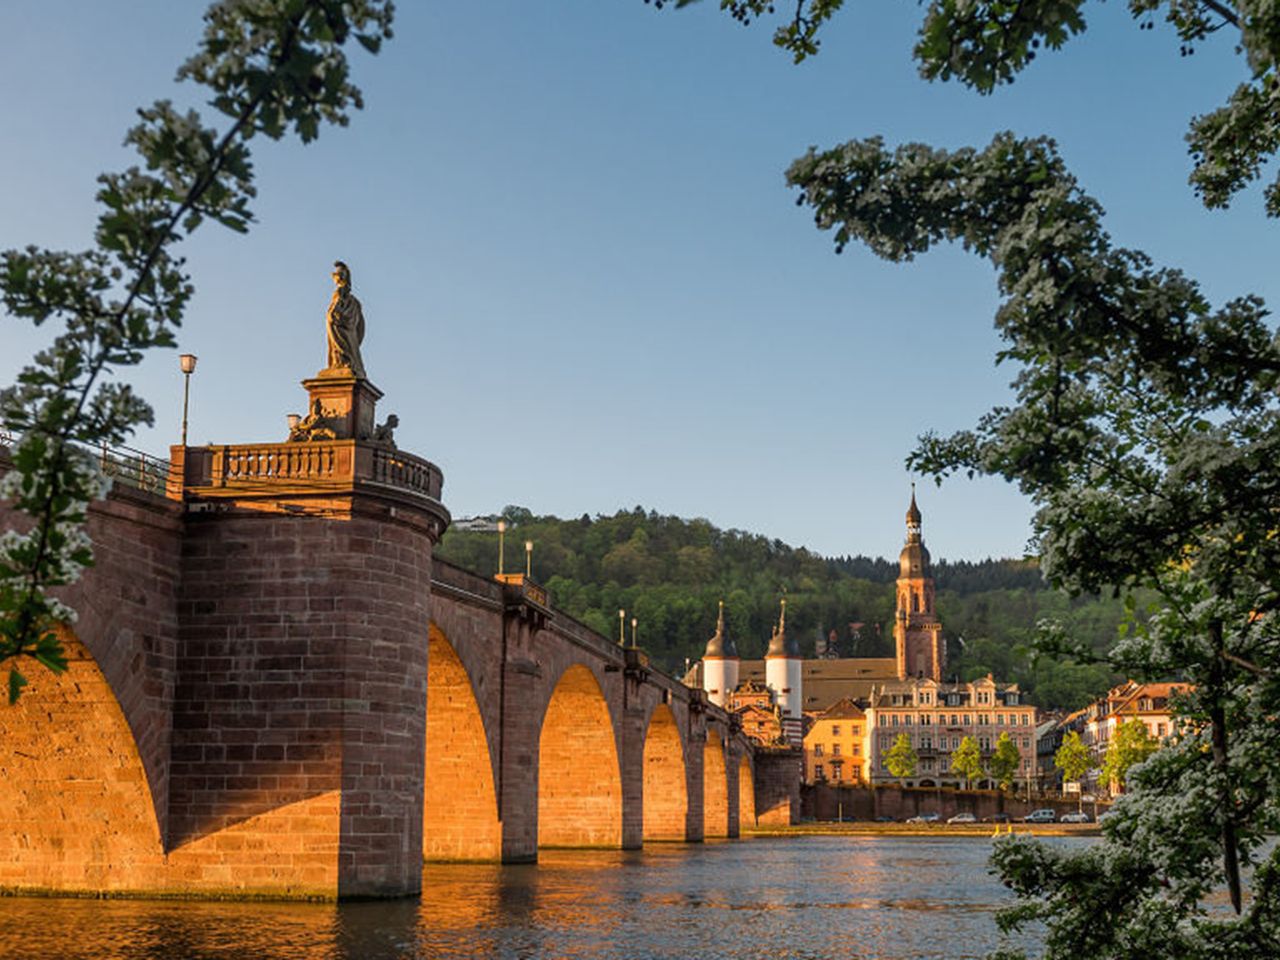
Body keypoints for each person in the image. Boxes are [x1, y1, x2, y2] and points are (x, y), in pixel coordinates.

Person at [326, 260, 366, 377]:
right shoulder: (354, 302)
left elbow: (333, 314)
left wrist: (334, 317)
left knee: (344, 354)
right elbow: (361, 328)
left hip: (343, 332)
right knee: (346, 354)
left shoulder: (342, 296)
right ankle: (344, 363)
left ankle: (343, 363)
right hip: (350, 336)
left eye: (338, 274)